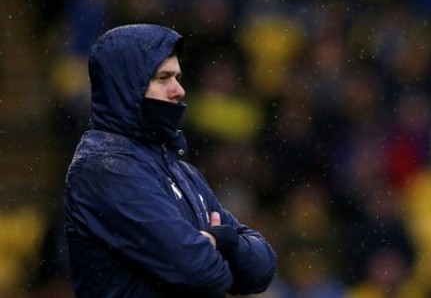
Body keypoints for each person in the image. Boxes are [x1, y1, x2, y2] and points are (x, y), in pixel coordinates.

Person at [63, 24, 277, 297]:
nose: (179, 90)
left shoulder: (181, 171)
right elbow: (201, 273)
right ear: (128, 85)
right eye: (163, 78)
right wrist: (221, 250)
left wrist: (224, 241)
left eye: (177, 77)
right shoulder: (105, 168)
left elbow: (261, 271)